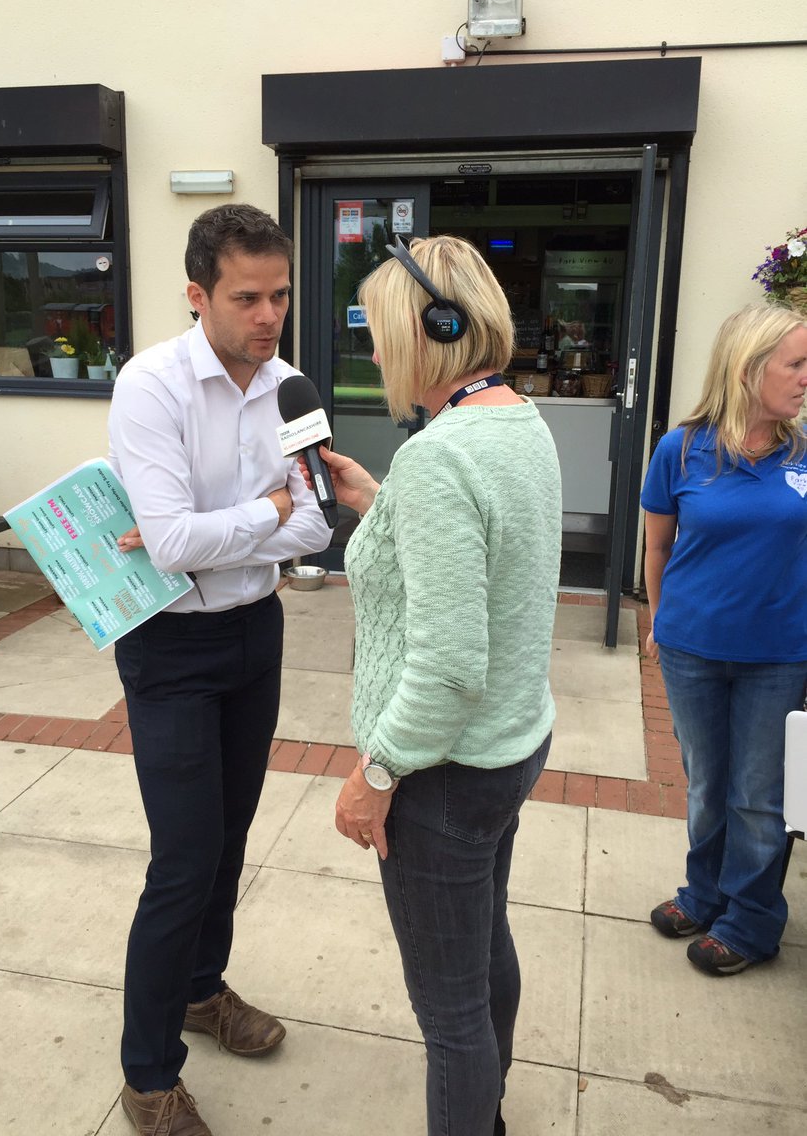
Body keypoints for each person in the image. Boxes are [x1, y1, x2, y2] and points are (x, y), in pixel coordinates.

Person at [300, 235, 562, 1136]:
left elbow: (448, 667)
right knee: (485, 949)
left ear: (434, 330)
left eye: (379, 335)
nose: (375, 356)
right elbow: (473, 561)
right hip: (510, 747)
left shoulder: (441, 456)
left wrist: (375, 775)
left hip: (443, 776)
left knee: (450, 1018)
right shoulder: (517, 422)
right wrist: (378, 500)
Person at [108, 203, 332, 1136]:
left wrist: (237, 529)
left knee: (231, 837)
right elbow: (168, 546)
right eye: (247, 297)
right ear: (198, 295)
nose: (269, 315)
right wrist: (267, 513)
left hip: (255, 634)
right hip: (169, 649)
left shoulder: (292, 389)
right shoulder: (150, 387)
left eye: (280, 294)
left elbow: (318, 524)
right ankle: (148, 1075)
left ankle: (203, 991)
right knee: (184, 859)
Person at [642, 302, 807, 976]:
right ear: (747, 369)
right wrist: (659, 621)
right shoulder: (681, 449)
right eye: (795, 363)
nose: (806, 377)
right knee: (708, 785)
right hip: (692, 650)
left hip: (780, 656)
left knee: (758, 797)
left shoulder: (804, 454)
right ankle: (703, 894)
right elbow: (657, 548)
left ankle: (751, 920)